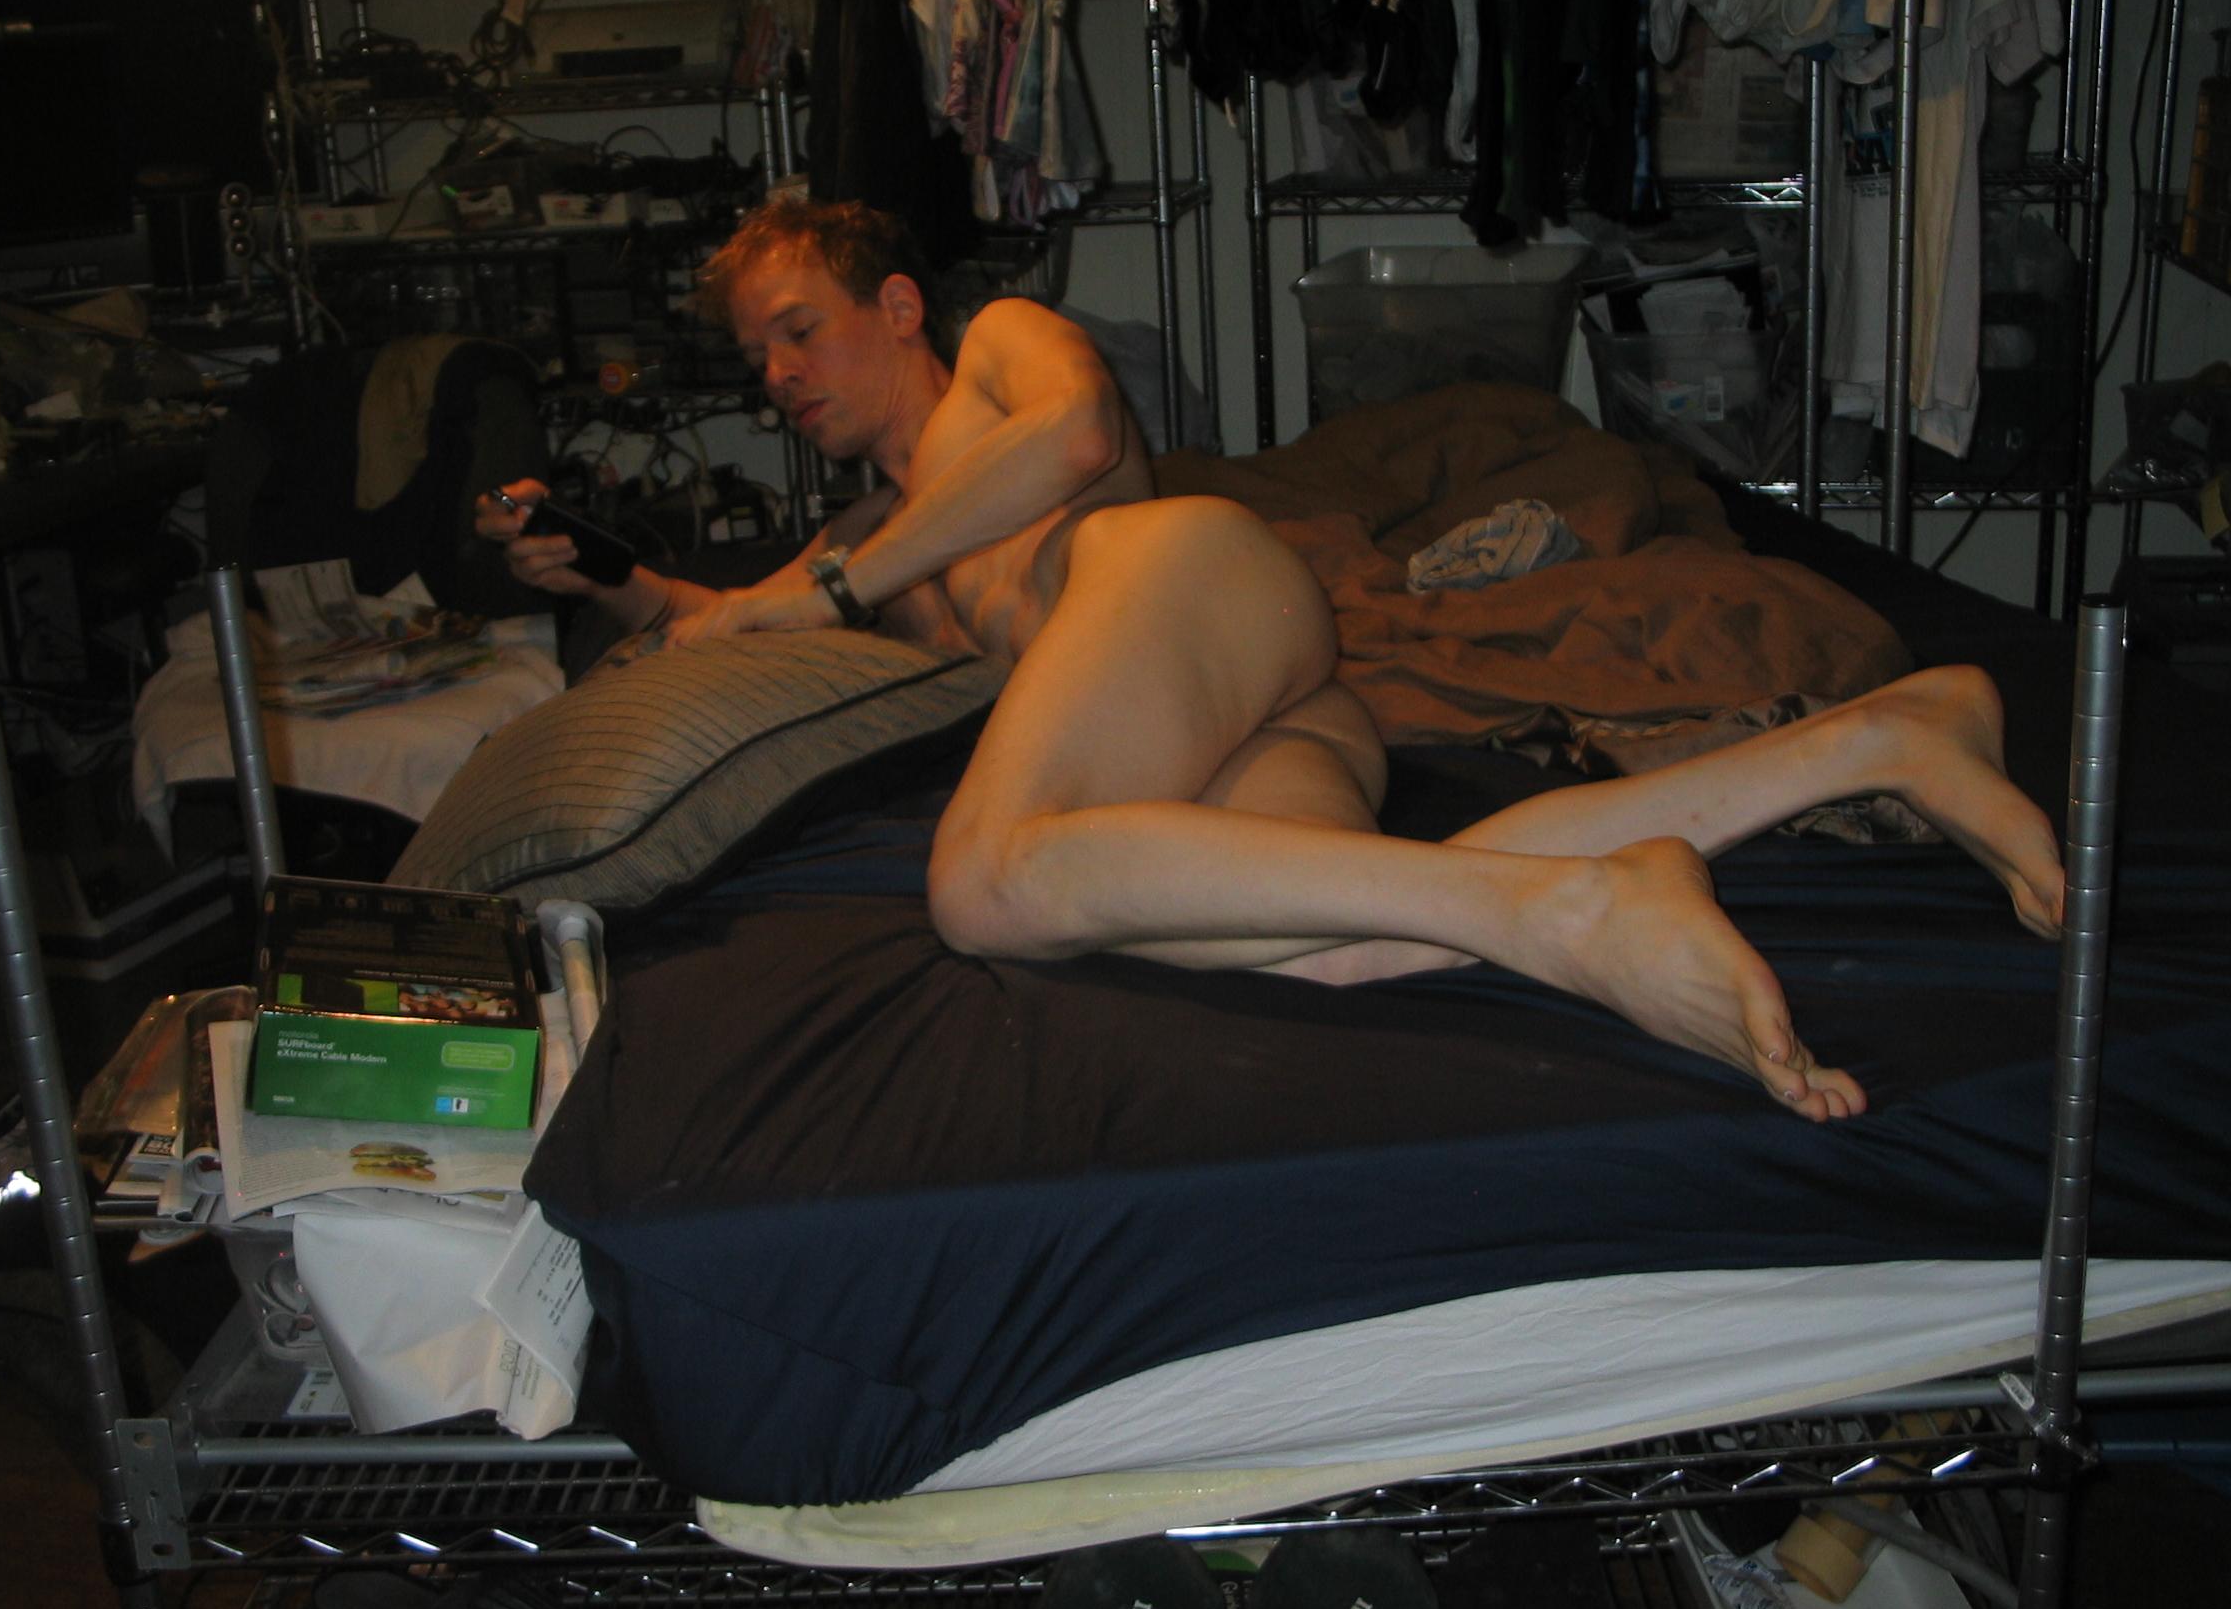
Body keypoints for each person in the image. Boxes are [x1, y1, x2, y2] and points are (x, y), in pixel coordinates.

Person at [478, 198, 2066, 1123]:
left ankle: (1573, 913)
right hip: (1272, 703)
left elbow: (1080, 440)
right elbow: (736, 622)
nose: (777, 373)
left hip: (1189, 576)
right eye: (755, 355)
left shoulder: (999, 362)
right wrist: (612, 578)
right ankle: (1883, 739)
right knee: (1334, 944)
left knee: (984, 886)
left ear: (897, 306)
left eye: (799, 328)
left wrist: (823, 582)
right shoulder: (875, 540)